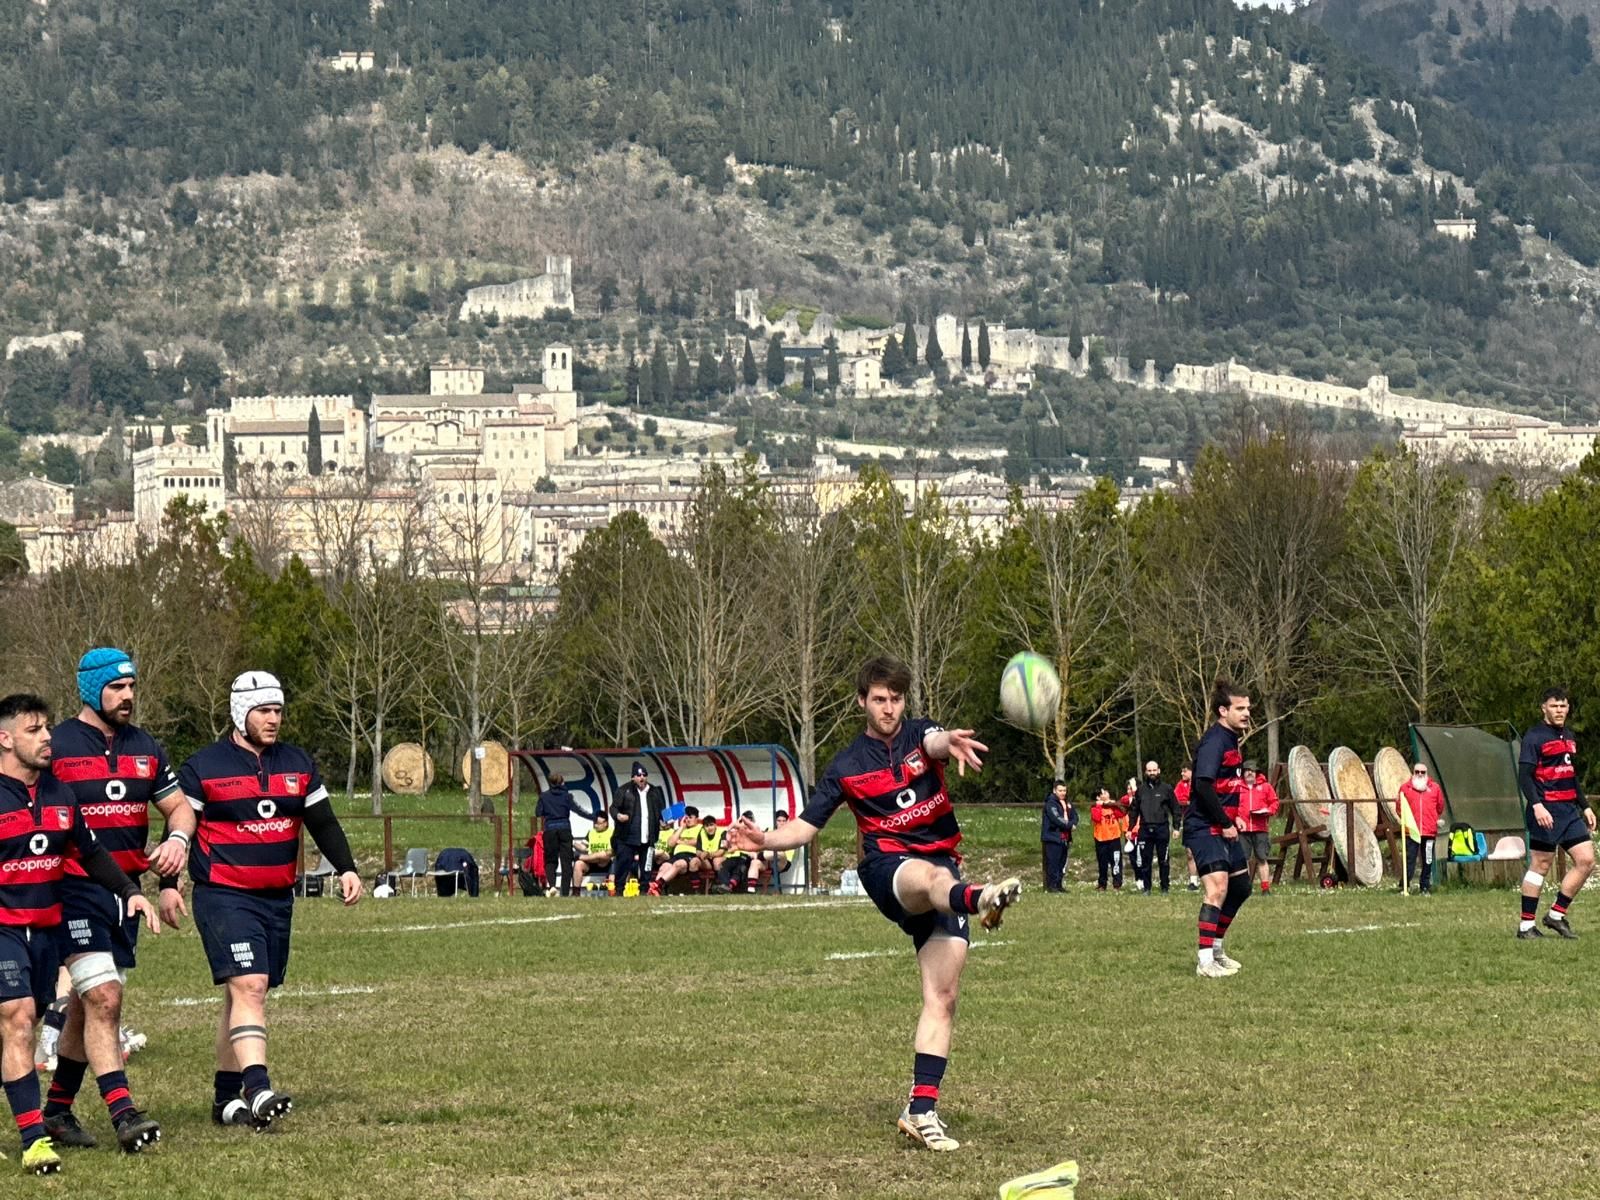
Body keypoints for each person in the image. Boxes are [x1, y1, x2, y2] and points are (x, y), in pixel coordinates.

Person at [727, 656, 1020, 1152]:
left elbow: (933, 740)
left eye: (896, 699)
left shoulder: (921, 736)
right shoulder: (846, 766)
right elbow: (807, 825)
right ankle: (980, 898)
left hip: (942, 864)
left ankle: (921, 1110)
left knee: (943, 997)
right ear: (862, 701)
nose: (889, 708)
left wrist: (946, 742)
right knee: (932, 878)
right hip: (890, 869)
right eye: (880, 699)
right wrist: (766, 841)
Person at [173, 671, 363, 1129]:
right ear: (241, 712)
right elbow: (179, 828)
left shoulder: (297, 763)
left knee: (243, 994)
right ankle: (258, 1090)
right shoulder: (204, 765)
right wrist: (166, 884)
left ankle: (224, 1101)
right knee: (251, 984)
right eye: (264, 710)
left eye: (278, 710)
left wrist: (348, 867)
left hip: (277, 899)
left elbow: (323, 823)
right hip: (224, 894)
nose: (274, 719)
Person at [42, 649, 194, 1153]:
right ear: (91, 689)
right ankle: (125, 1114)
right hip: (71, 889)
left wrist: (177, 843)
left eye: (132, 686)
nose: (128, 695)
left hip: (126, 895)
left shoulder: (146, 746)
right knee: (105, 997)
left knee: (89, 1009)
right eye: (116, 687)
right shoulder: (57, 745)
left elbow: (177, 807)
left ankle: (57, 1111)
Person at [0, 693, 157, 1176]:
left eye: (47, 727)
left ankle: (55, 1112)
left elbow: (89, 853)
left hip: (47, 929)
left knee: (46, 1015)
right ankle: (33, 1140)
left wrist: (130, 890)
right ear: (5, 739)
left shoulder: (60, 794)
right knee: (20, 1018)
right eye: (34, 730)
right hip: (4, 929)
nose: (47, 737)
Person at [1184, 680, 1252, 978]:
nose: (1247, 713)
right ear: (1223, 711)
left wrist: (1233, 816)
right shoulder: (1215, 741)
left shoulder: (1232, 739)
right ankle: (1204, 961)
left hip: (1223, 824)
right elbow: (1202, 784)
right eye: (1240, 708)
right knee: (1217, 889)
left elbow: (1227, 787)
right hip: (1204, 827)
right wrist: (1223, 822)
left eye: (1248, 707)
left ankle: (1217, 948)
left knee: (1240, 887)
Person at [1515, 687, 1594, 939]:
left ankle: (1556, 915)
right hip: (1545, 810)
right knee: (1541, 864)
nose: (1559, 710)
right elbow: (1524, 777)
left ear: (1568, 708)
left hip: (1569, 810)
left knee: (1586, 860)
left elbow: (1571, 776)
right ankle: (1526, 926)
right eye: (1554, 706)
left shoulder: (1569, 736)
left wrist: (1585, 806)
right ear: (1544, 708)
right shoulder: (1534, 736)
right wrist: (1537, 805)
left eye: (1563, 706)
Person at [535, 773, 603, 897]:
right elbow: (578, 810)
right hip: (565, 829)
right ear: (562, 783)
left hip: (550, 830)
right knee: (566, 862)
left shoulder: (544, 796)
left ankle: (552, 886)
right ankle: (565, 893)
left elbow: (538, 812)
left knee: (550, 861)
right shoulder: (567, 796)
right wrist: (593, 817)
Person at [611, 762, 664, 897]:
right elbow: (613, 808)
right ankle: (619, 890)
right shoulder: (624, 790)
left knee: (647, 865)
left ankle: (644, 890)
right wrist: (619, 816)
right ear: (632, 777)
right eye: (638, 775)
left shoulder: (654, 791)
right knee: (624, 863)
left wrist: (662, 821)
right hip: (628, 835)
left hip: (648, 835)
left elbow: (660, 811)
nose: (641, 778)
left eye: (644, 775)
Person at [1129, 762, 1179, 894]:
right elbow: (1134, 811)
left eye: (1154, 770)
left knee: (1164, 860)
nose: (1152, 773)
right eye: (1149, 770)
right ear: (1146, 772)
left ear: (1159, 771)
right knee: (1146, 861)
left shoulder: (1166, 789)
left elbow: (1175, 809)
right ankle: (1147, 888)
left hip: (1162, 828)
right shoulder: (1140, 791)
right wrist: (1130, 828)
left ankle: (1164, 887)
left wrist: (1176, 827)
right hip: (1145, 829)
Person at [1398, 762, 1445, 895]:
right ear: (1413, 772)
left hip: (1429, 832)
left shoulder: (1435, 788)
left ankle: (1425, 887)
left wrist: (1432, 818)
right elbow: (1399, 808)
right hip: (1411, 831)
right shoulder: (1405, 788)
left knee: (1428, 859)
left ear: (1426, 774)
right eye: (1417, 771)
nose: (1419, 774)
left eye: (1422, 772)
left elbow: (1440, 806)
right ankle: (1405, 886)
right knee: (1409, 859)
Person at [1236, 761, 1280, 895]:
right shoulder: (1237, 787)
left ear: (1257, 773)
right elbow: (1231, 807)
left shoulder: (1266, 787)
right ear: (1243, 773)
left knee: (1262, 858)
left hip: (1260, 828)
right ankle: (1245, 888)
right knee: (1243, 860)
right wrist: (1236, 819)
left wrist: (1268, 811)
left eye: (1252, 770)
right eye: (1247, 770)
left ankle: (1265, 888)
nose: (1250, 773)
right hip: (1242, 829)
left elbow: (1274, 802)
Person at [649, 808, 703, 895]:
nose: (688, 819)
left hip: (690, 855)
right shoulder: (679, 829)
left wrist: (680, 841)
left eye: (690, 817)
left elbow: (697, 841)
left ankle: (658, 884)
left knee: (678, 864)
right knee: (664, 866)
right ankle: (654, 890)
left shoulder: (701, 828)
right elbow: (670, 843)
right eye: (686, 817)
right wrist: (681, 827)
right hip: (676, 855)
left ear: (697, 818)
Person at [1089, 788, 1127, 891]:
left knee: (1116, 861)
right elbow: (1096, 818)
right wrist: (1099, 805)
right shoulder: (1095, 807)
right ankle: (1102, 884)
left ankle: (1117, 884)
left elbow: (1122, 813)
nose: (1107, 794)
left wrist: (1113, 805)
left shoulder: (1113, 806)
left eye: (1107, 792)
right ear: (1098, 797)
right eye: (1103, 793)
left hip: (1114, 838)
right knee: (1102, 863)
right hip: (1101, 839)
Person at [1040, 782, 1075, 892]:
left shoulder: (1067, 803)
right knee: (1053, 863)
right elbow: (1056, 818)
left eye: (1064, 790)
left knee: (1062, 863)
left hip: (1065, 838)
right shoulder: (1051, 804)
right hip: (1053, 837)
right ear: (1055, 791)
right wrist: (1069, 825)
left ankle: (1059, 885)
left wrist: (1073, 823)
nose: (1063, 793)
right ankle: (1052, 886)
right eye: (1060, 791)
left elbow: (1075, 815)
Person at [571, 813, 614, 895]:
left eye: (598, 823)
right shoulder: (591, 832)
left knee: (603, 855)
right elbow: (583, 847)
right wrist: (572, 842)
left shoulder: (612, 832)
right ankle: (576, 893)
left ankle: (581, 857)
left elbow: (610, 852)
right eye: (594, 823)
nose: (595, 825)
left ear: (606, 823)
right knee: (578, 864)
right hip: (591, 863)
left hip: (606, 862)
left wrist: (582, 856)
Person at [1175, 767, 1199, 890]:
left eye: (1184, 771)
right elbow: (1176, 800)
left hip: (1201, 821)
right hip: (1188, 821)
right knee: (1190, 853)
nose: (1182, 773)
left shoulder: (1199, 782)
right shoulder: (1180, 785)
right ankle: (1193, 881)